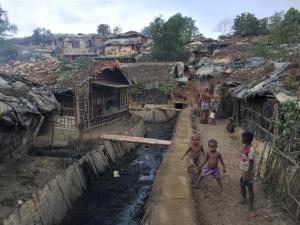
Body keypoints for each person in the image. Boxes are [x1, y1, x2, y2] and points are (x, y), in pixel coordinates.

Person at [239, 131, 256, 214]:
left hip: (248, 173)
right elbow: (243, 157)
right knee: (242, 186)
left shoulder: (251, 150)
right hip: (243, 171)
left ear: (245, 139)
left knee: (250, 188)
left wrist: (248, 175)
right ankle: (243, 199)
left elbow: (251, 163)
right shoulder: (245, 147)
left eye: (242, 137)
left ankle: (250, 205)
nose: (241, 139)